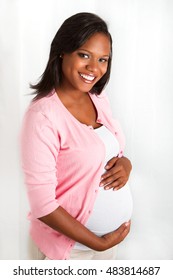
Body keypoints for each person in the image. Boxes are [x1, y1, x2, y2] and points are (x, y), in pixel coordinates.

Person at [20, 12, 133, 260]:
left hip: (106, 245)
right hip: (70, 252)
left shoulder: (98, 99)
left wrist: (126, 164)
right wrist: (96, 243)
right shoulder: (42, 117)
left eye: (103, 59)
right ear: (62, 51)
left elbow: (111, 151)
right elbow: (43, 205)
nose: (94, 68)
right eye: (84, 55)